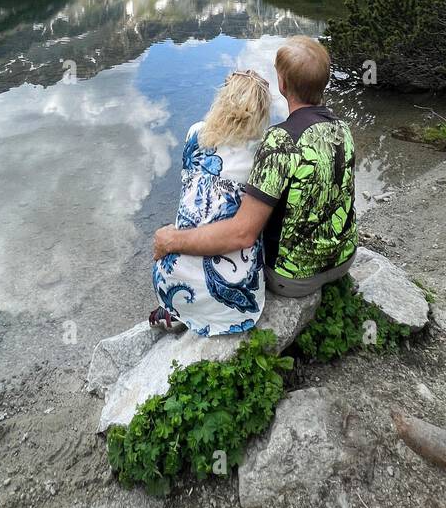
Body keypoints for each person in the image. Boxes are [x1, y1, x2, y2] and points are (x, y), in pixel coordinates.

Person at [152, 36, 356, 308]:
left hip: (294, 278)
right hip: (344, 259)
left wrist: (172, 240)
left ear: (282, 84)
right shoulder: (344, 130)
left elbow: (243, 234)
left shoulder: (280, 141)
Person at [150, 67, 272, 336]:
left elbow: (187, 189)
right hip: (236, 299)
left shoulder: (196, 132)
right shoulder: (264, 151)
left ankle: (176, 311)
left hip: (170, 277)